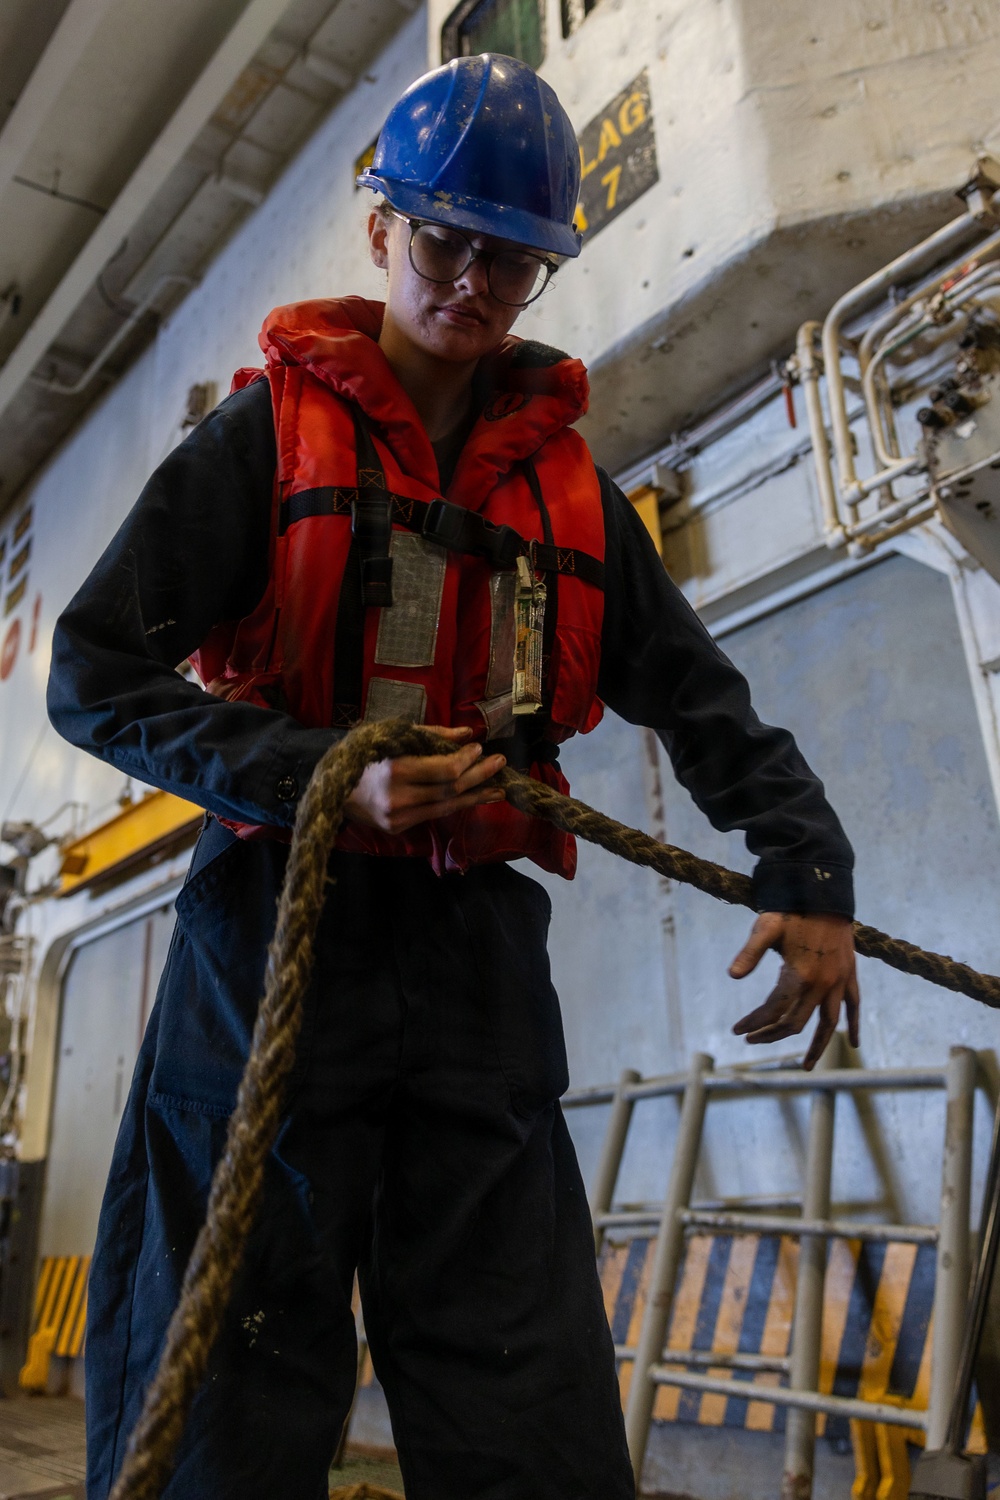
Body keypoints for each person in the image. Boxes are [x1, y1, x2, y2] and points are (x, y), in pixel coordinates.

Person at [47, 52, 859, 1500]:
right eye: (447, 242)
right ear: (381, 232)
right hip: (269, 946)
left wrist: (807, 870)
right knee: (223, 1378)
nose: (474, 282)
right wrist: (315, 778)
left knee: (522, 1400)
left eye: (513, 258)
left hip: (477, 967)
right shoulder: (257, 449)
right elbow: (93, 671)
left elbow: (705, 704)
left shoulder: (575, 503)